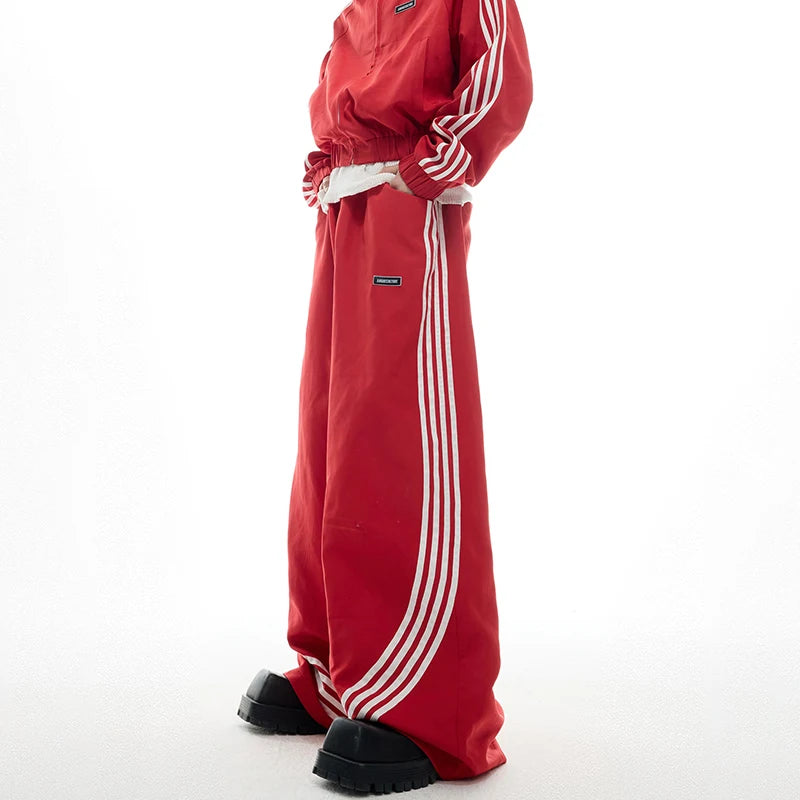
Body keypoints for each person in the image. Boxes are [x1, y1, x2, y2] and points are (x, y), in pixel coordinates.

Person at [238, 0, 533, 792]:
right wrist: (334, 161)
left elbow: (499, 80)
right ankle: (340, 668)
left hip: (406, 202)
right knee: (328, 439)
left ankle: (431, 708)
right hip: (348, 205)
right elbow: (347, 82)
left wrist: (431, 165)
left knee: (401, 441)